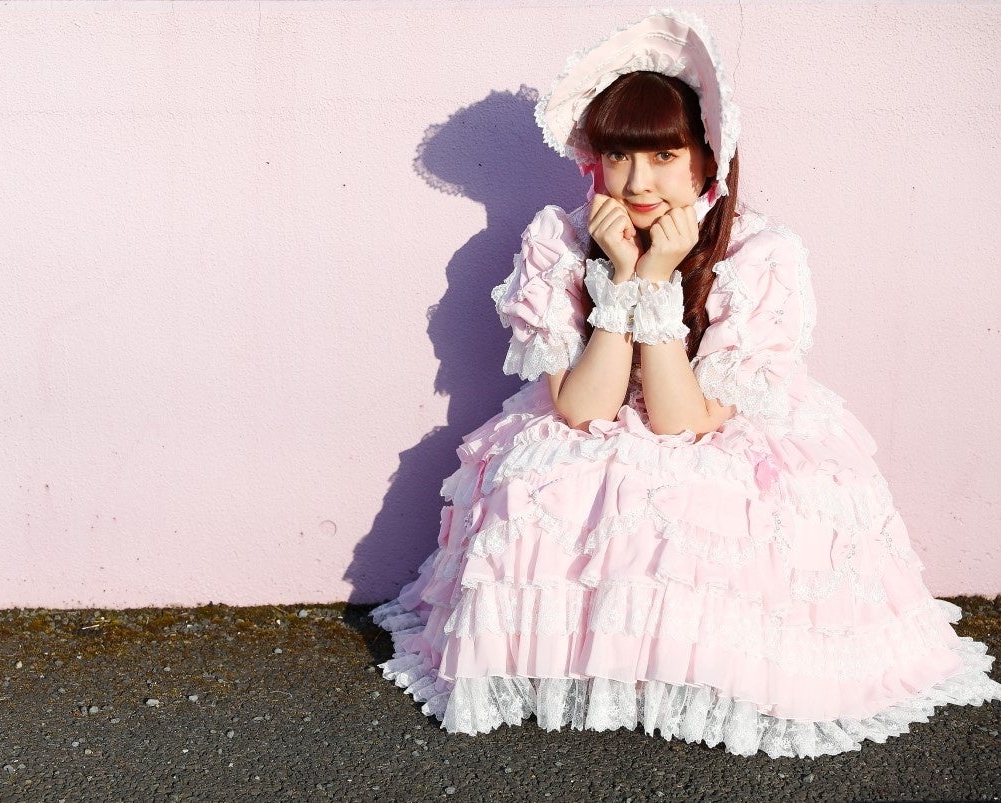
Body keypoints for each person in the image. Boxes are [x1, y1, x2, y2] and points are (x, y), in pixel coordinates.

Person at [368, 9, 1001, 758]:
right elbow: (583, 409)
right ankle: (592, 665)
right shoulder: (559, 239)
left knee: (703, 498)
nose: (638, 182)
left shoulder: (759, 251)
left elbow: (683, 422)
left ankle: (689, 672)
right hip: (603, 400)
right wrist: (626, 277)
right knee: (547, 475)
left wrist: (661, 277)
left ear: (707, 157)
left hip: (712, 417)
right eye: (617, 155)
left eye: (664, 155)